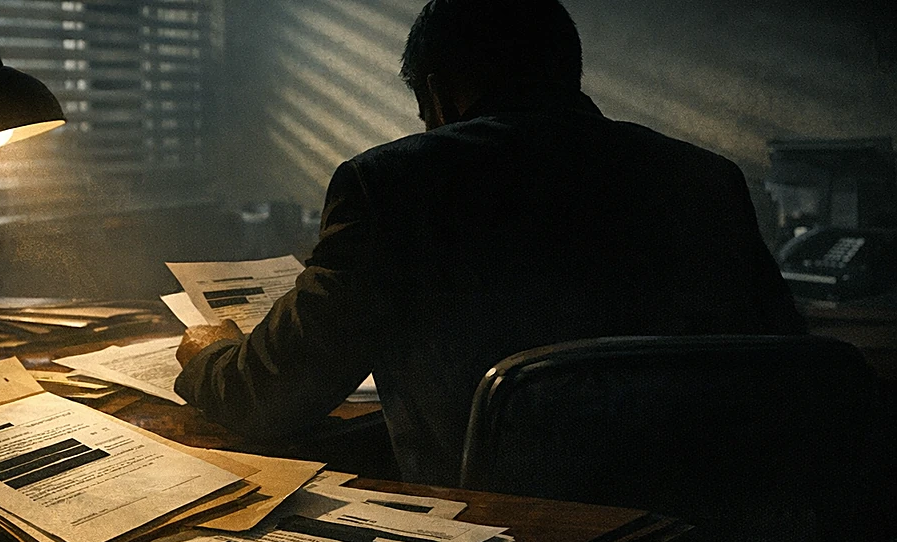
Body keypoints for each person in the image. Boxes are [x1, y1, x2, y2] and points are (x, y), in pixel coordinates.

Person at [174, 0, 805, 487]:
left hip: (508, 534)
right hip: (702, 529)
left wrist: (213, 353)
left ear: (438, 92)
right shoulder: (705, 178)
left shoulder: (391, 185)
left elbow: (269, 398)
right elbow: (789, 371)